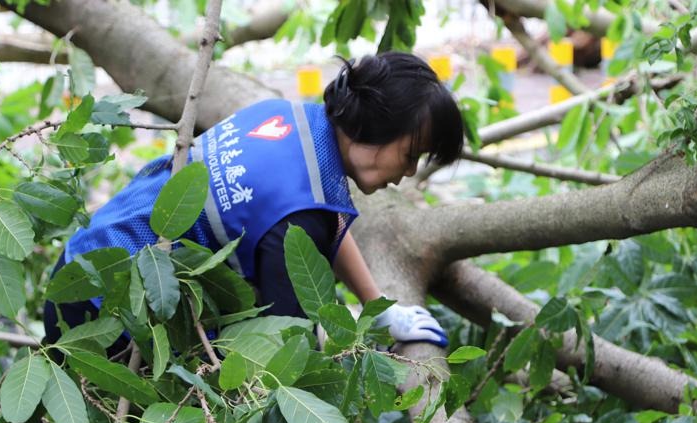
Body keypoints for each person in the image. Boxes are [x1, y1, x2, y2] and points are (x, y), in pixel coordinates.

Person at [44, 52, 463, 348]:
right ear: (374, 126)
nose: (409, 172)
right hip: (103, 311)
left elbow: (323, 217)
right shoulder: (298, 218)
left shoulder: (288, 118)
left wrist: (380, 310)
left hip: (79, 261)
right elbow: (284, 347)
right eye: (410, 155)